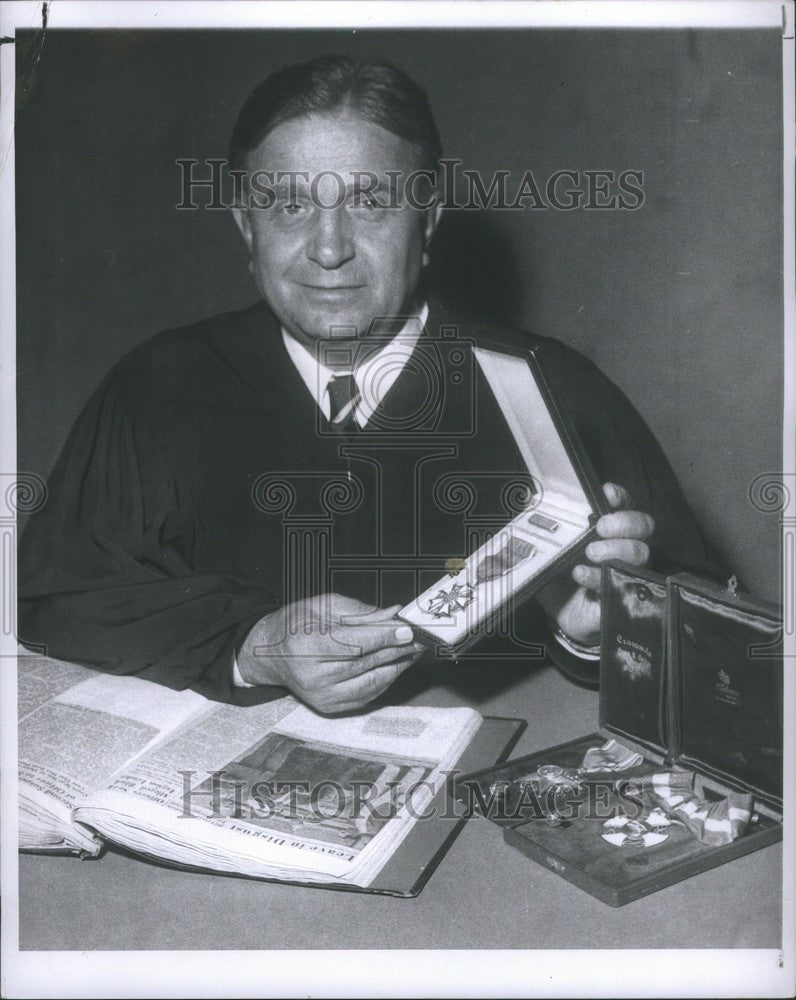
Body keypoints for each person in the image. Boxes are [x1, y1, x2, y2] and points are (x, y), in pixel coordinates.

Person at [17, 55, 717, 712]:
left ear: (428, 222)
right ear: (245, 229)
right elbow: (57, 600)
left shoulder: (560, 392)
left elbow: (719, 663)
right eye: (289, 206)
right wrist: (254, 647)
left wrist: (592, 632)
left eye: (372, 202)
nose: (328, 248)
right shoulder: (162, 386)